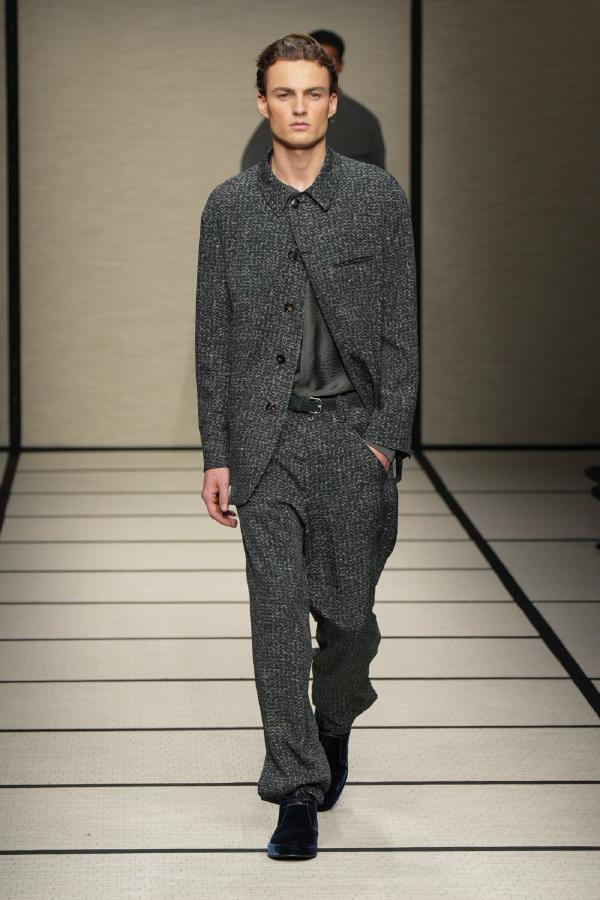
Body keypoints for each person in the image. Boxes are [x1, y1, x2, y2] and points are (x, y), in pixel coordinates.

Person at [195, 32, 419, 861]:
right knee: (277, 618)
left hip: (353, 437)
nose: (298, 107)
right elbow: (213, 338)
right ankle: (294, 787)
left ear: (333, 100)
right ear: (263, 103)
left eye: (312, 92)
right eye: (283, 93)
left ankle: (334, 722)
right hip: (267, 439)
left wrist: (385, 440)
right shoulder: (229, 207)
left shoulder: (377, 198)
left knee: (349, 623)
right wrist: (217, 452)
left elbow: (401, 328)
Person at [240, 29, 386, 171]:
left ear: (340, 65)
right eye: (284, 95)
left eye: (327, 60)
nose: (299, 109)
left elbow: (378, 172)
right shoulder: (281, 118)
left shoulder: (364, 120)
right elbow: (251, 163)